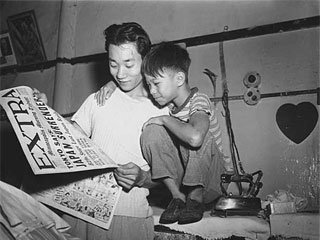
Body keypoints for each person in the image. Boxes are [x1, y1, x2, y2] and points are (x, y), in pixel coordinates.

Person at [34, 22, 168, 240]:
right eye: (113, 64)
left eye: (128, 64)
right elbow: (65, 139)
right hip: (77, 211)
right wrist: (41, 112)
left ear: (146, 60)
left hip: (127, 218)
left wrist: (142, 177)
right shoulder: (99, 100)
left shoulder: (161, 110)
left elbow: (169, 176)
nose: (120, 74)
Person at [139, 42, 227, 224]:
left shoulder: (199, 100)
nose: (151, 91)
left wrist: (165, 120)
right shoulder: (169, 106)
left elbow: (195, 138)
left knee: (195, 135)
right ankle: (178, 198)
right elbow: (131, 89)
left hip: (212, 181)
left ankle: (195, 199)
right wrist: (108, 86)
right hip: (184, 182)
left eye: (156, 83)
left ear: (179, 79)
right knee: (151, 131)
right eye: (149, 85)